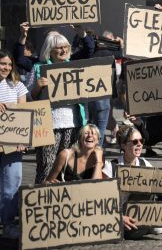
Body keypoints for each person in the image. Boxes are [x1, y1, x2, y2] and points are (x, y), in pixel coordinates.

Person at [28, 29, 93, 183]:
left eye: (66, 47)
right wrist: (37, 87)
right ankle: (42, 201)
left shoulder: (74, 67)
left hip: (73, 124)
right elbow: (27, 98)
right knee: (47, 166)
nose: (64, 50)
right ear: (50, 51)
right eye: (59, 47)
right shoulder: (39, 68)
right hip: (48, 126)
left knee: (67, 166)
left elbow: (90, 49)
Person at [0, 50, 28, 240]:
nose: (7, 68)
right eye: (3, 64)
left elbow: (24, 113)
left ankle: (8, 223)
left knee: (12, 183)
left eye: (9, 65)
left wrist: (23, 139)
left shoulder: (17, 85)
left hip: (12, 144)